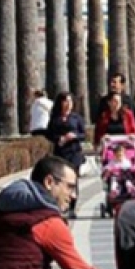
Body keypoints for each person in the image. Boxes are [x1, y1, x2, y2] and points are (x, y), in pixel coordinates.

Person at [46, 92, 87, 220]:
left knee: (73, 180)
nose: (68, 104)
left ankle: (72, 208)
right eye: (65, 101)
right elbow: (49, 134)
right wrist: (59, 138)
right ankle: (60, 205)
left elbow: (83, 134)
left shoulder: (76, 118)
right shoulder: (55, 119)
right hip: (60, 153)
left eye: (70, 101)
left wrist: (74, 136)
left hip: (74, 153)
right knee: (60, 180)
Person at [97, 73, 135, 142]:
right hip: (109, 140)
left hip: (126, 139)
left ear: (122, 85)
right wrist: (96, 140)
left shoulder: (128, 101)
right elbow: (99, 123)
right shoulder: (104, 101)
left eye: (115, 82)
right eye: (111, 82)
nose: (112, 85)